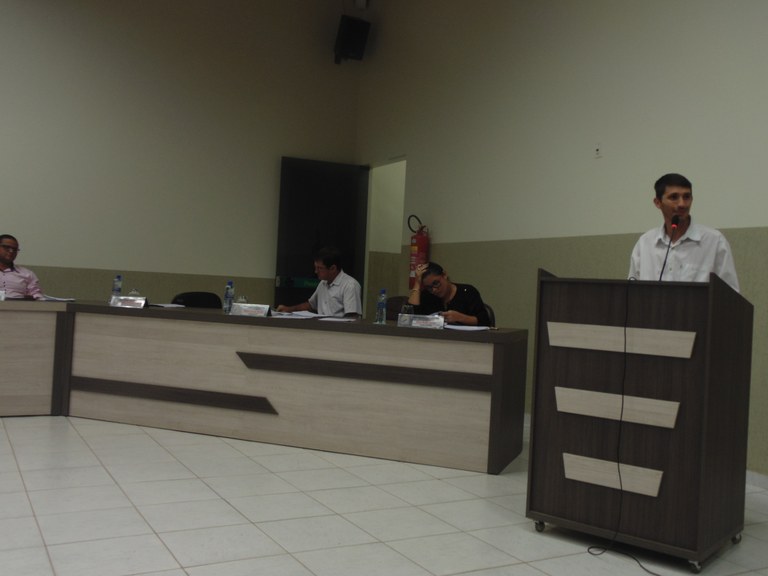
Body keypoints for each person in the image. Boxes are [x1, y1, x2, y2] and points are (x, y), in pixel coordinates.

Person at [628, 173, 739, 292]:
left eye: (686, 197)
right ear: (658, 202)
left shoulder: (714, 241)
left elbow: (730, 294)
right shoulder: (645, 243)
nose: (682, 204)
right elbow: (631, 292)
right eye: (674, 197)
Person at [276, 246, 362, 318]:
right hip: (321, 329)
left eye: (320, 268)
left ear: (333, 268)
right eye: (315, 267)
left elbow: (353, 316)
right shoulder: (323, 283)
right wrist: (289, 309)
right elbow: (310, 305)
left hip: (338, 330)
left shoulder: (350, 285)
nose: (316, 271)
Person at [408, 261, 491, 326]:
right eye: (429, 287)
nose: (434, 290)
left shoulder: (467, 292)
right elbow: (408, 318)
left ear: (444, 275)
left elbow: (485, 321)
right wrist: (417, 284)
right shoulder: (427, 295)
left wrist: (461, 318)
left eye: (436, 283)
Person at [0, 234, 45, 300]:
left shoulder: (27, 274)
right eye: (7, 247)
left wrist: (34, 298)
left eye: (15, 249)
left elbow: (37, 295)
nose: (11, 251)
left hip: (18, 305)